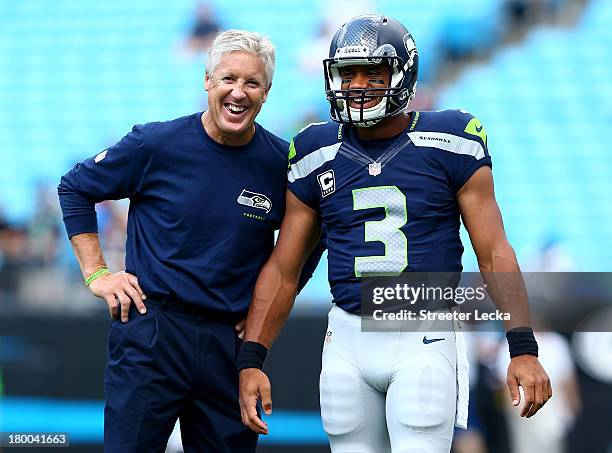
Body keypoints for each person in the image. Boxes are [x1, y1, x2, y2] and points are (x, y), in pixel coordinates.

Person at [237, 14, 552, 453]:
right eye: (349, 73)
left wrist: (522, 347)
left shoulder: (451, 138)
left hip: (422, 332)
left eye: (373, 72)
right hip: (345, 334)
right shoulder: (313, 150)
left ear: (402, 75)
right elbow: (286, 269)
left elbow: (494, 253)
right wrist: (253, 358)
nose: (359, 84)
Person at [58, 29, 321, 452]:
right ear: (207, 81)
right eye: (228, 79)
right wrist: (97, 273)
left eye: (252, 83)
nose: (239, 92)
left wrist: (265, 304)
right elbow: (75, 187)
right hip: (152, 331)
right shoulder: (154, 144)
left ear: (267, 92)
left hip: (229, 347)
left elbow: (310, 238)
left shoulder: (281, 164)